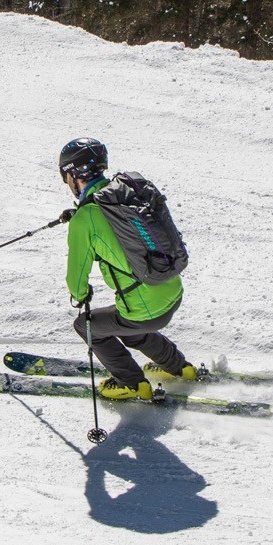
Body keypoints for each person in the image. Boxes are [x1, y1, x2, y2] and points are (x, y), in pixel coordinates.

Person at [58, 137, 201, 399]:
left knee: (86, 325)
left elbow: (74, 279)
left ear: (72, 175)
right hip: (172, 290)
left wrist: (80, 295)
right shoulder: (123, 194)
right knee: (130, 326)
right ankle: (180, 368)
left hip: (146, 311)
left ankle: (132, 383)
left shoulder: (85, 219)